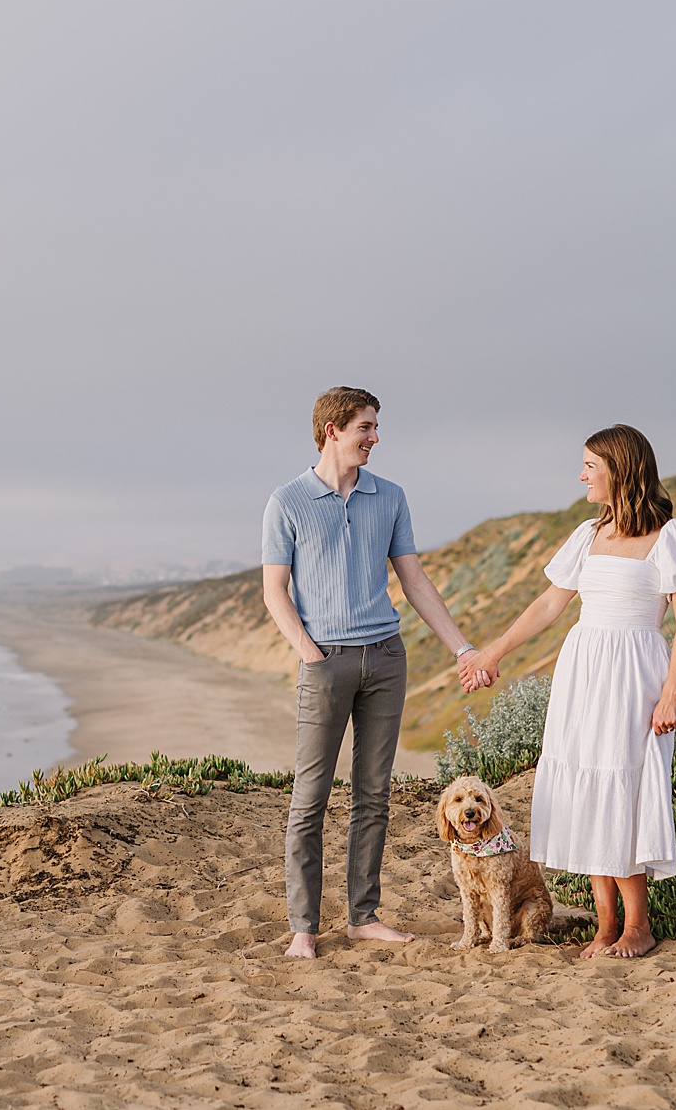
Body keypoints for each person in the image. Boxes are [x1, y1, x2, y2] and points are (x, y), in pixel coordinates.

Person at [459, 424, 676, 959]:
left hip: (635, 675)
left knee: (623, 787)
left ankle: (637, 925)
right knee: (589, 789)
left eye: (590, 466)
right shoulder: (587, 534)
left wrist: (671, 695)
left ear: (620, 469)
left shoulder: (672, 536)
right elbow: (548, 606)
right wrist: (491, 654)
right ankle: (604, 926)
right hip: (583, 672)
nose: (581, 475)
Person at [263, 386, 483, 960]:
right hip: (325, 662)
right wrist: (311, 654)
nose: (375, 438)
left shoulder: (390, 497)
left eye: (376, 427)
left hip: (386, 658)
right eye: (365, 427)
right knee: (309, 799)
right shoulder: (287, 501)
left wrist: (462, 649)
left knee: (373, 794)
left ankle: (363, 916)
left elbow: (414, 582)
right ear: (332, 429)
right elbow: (274, 591)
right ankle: (304, 927)